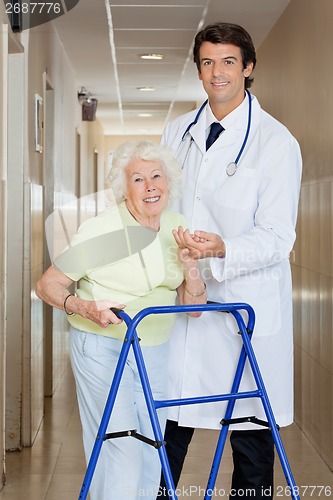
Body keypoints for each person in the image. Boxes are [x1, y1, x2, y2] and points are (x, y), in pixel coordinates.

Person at [159, 22, 302, 499]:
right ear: (198, 69)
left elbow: (279, 238)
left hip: (246, 309)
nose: (217, 72)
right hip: (188, 301)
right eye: (207, 62)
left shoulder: (275, 142)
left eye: (228, 62)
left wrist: (221, 249)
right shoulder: (177, 130)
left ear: (248, 68)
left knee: (251, 443)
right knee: (169, 432)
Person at [36, 140, 207, 500]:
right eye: (138, 179)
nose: (150, 186)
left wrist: (191, 269)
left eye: (156, 176)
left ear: (169, 182)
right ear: (123, 188)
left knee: (151, 444)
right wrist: (84, 308)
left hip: (156, 350)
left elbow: (194, 306)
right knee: (122, 447)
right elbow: (47, 285)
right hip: (103, 346)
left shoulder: (176, 226)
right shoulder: (105, 230)